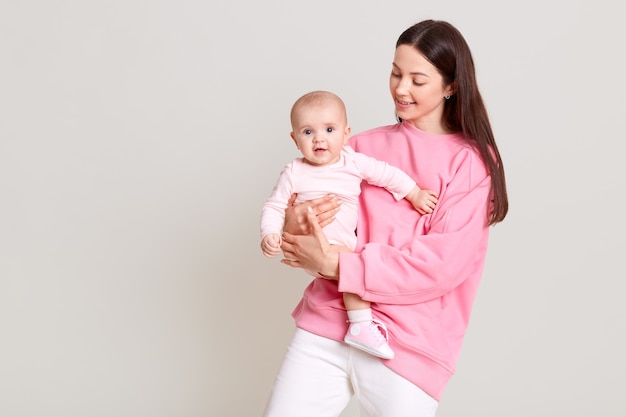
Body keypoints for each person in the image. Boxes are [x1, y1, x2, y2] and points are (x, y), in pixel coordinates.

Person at [262, 19, 509, 417]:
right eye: (395, 73)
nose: (400, 88)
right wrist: (295, 224)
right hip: (327, 323)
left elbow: (441, 266)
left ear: (451, 86)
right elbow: (315, 235)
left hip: (408, 344)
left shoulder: (470, 163)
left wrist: (336, 263)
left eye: (417, 79)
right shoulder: (357, 147)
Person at [260, 90, 439, 360]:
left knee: (355, 265)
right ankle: (360, 325)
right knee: (352, 265)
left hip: (342, 244)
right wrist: (270, 233)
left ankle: (360, 323)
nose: (319, 138)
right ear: (295, 139)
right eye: (307, 132)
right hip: (311, 244)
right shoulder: (294, 171)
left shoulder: (352, 161)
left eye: (329, 129)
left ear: (345, 134)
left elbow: (387, 175)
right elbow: (274, 206)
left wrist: (415, 194)